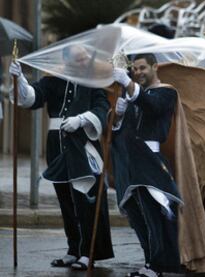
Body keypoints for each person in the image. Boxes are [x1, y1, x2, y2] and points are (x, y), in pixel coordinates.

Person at [8, 45, 114, 270]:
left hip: (83, 146)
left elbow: (102, 109)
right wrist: (20, 80)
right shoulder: (53, 80)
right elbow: (32, 97)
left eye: (85, 59)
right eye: (78, 59)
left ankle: (88, 253)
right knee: (66, 201)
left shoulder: (92, 83)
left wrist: (84, 118)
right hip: (57, 146)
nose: (83, 63)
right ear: (66, 61)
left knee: (85, 200)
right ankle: (73, 249)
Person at [111, 53, 182, 277]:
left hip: (151, 159)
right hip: (131, 161)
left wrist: (127, 84)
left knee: (155, 214)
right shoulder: (134, 95)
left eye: (143, 68)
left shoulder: (167, 91)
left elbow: (153, 107)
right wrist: (119, 117)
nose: (138, 72)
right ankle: (150, 260)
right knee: (137, 214)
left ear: (155, 67)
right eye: (135, 69)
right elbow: (123, 132)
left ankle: (160, 265)